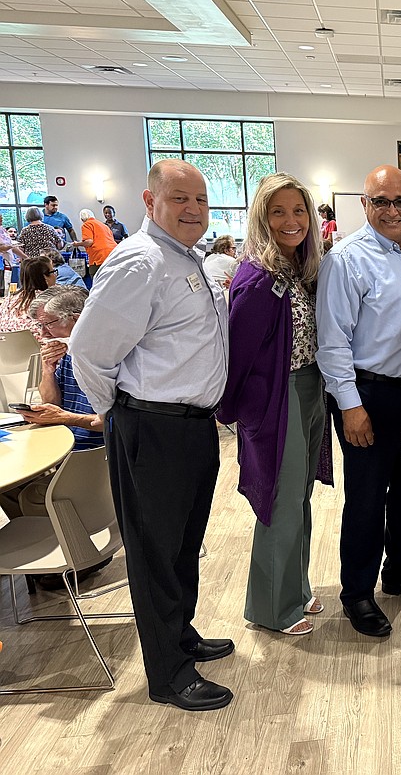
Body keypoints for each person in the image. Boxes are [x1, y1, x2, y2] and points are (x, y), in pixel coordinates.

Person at [70, 159, 234, 712]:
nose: (192, 210)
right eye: (180, 199)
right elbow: (88, 352)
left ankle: (180, 636)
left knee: (183, 545)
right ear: (150, 200)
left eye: (200, 201)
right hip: (152, 427)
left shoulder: (186, 259)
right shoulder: (138, 262)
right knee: (154, 552)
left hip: (191, 428)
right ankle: (167, 673)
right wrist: (119, 416)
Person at [316, 164, 401, 639]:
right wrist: (349, 405)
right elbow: (333, 342)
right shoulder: (346, 259)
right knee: (367, 500)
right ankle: (358, 593)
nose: (393, 210)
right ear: (365, 204)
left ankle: (400, 572)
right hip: (367, 394)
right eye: (381, 201)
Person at [218, 173, 330, 636]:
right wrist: (240, 413)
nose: (291, 221)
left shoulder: (299, 270)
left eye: (299, 211)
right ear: (262, 218)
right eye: (278, 211)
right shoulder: (257, 278)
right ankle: (270, 608)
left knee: (298, 498)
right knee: (279, 504)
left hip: (308, 390)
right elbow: (237, 357)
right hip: (274, 401)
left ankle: (295, 589)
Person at [1, 287, 104, 521]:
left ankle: (69, 537)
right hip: (64, 448)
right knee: (10, 486)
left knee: (27, 492)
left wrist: (64, 418)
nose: (43, 334)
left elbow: (110, 423)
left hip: (93, 456)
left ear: (77, 320)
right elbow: (50, 401)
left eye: (48, 324)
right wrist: (48, 370)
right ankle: (49, 537)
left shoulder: (103, 359)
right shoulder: (65, 352)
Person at [0, 255, 55, 338]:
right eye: (53, 272)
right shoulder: (50, 302)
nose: (55, 275)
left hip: (7, 348)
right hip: (39, 348)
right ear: (45, 277)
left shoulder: (8, 300)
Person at [78, 208, 118, 276]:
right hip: (113, 254)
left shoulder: (87, 224)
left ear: (82, 219)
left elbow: (89, 242)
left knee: (96, 279)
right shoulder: (104, 225)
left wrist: (77, 244)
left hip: (99, 257)